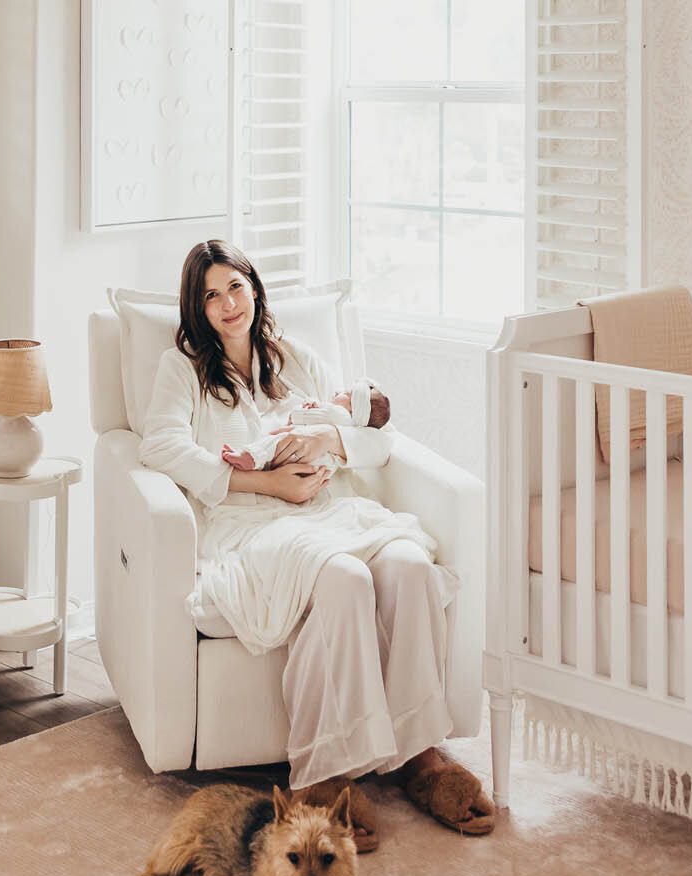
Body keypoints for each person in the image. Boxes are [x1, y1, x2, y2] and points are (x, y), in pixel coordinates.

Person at [138, 239, 494, 834]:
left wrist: (329, 441)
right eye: (210, 295)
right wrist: (269, 484)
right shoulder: (184, 369)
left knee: (409, 564)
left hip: (333, 511)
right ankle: (325, 772)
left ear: (253, 288)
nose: (228, 303)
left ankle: (418, 754)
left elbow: (377, 438)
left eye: (235, 287)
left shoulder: (295, 358)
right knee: (346, 577)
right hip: (253, 524)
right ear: (196, 309)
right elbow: (160, 444)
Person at [221, 381, 390, 473]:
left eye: (345, 394)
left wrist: (300, 415)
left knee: (279, 441)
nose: (338, 390)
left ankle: (252, 457)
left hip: (308, 455)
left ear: (352, 410)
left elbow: (306, 418)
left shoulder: (340, 415)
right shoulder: (342, 417)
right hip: (317, 466)